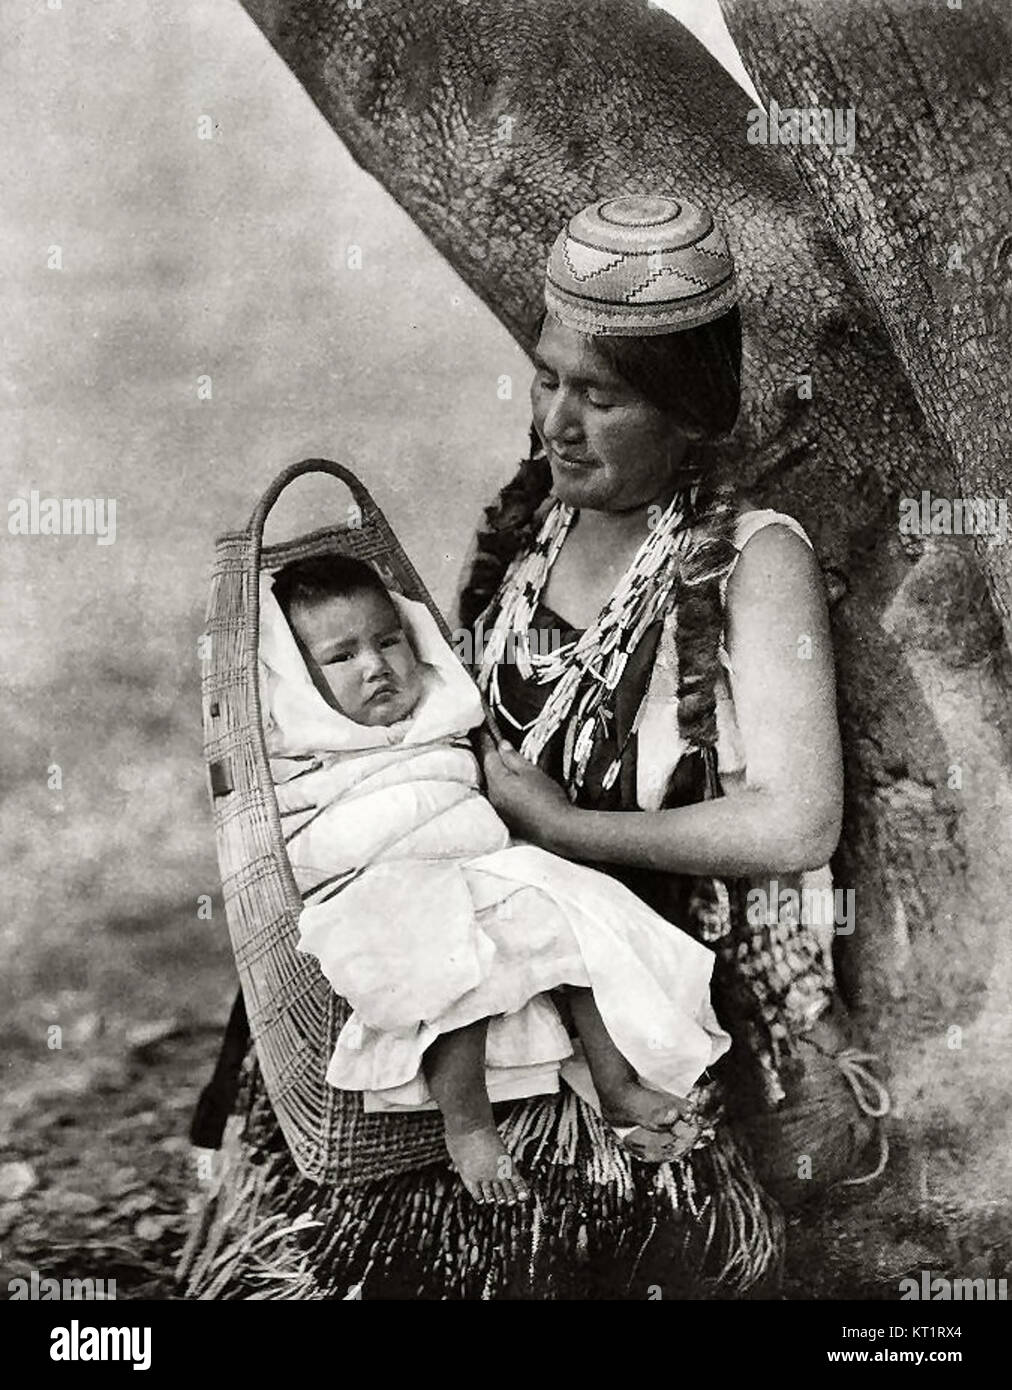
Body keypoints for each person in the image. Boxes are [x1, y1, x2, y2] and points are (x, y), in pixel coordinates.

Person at [183, 192, 884, 1301]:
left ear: (688, 408)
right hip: (479, 902)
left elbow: (801, 818)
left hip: (633, 947)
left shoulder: (752, 558)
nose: (556, 420)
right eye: (547, 377)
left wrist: (564, 827)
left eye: (598, 395)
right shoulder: (535, 524)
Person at [259, 552, 729, 1205]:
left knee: (581, 918)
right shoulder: (299, 745)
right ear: (297, 678)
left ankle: (617, 1088)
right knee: (456, 963)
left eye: (389, 641)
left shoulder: (440, 711)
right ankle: (469, 1124)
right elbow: (301, 837)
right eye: (341, 657)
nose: (375, 665)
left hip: (481, 864)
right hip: (387, 889)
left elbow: (474, 786)